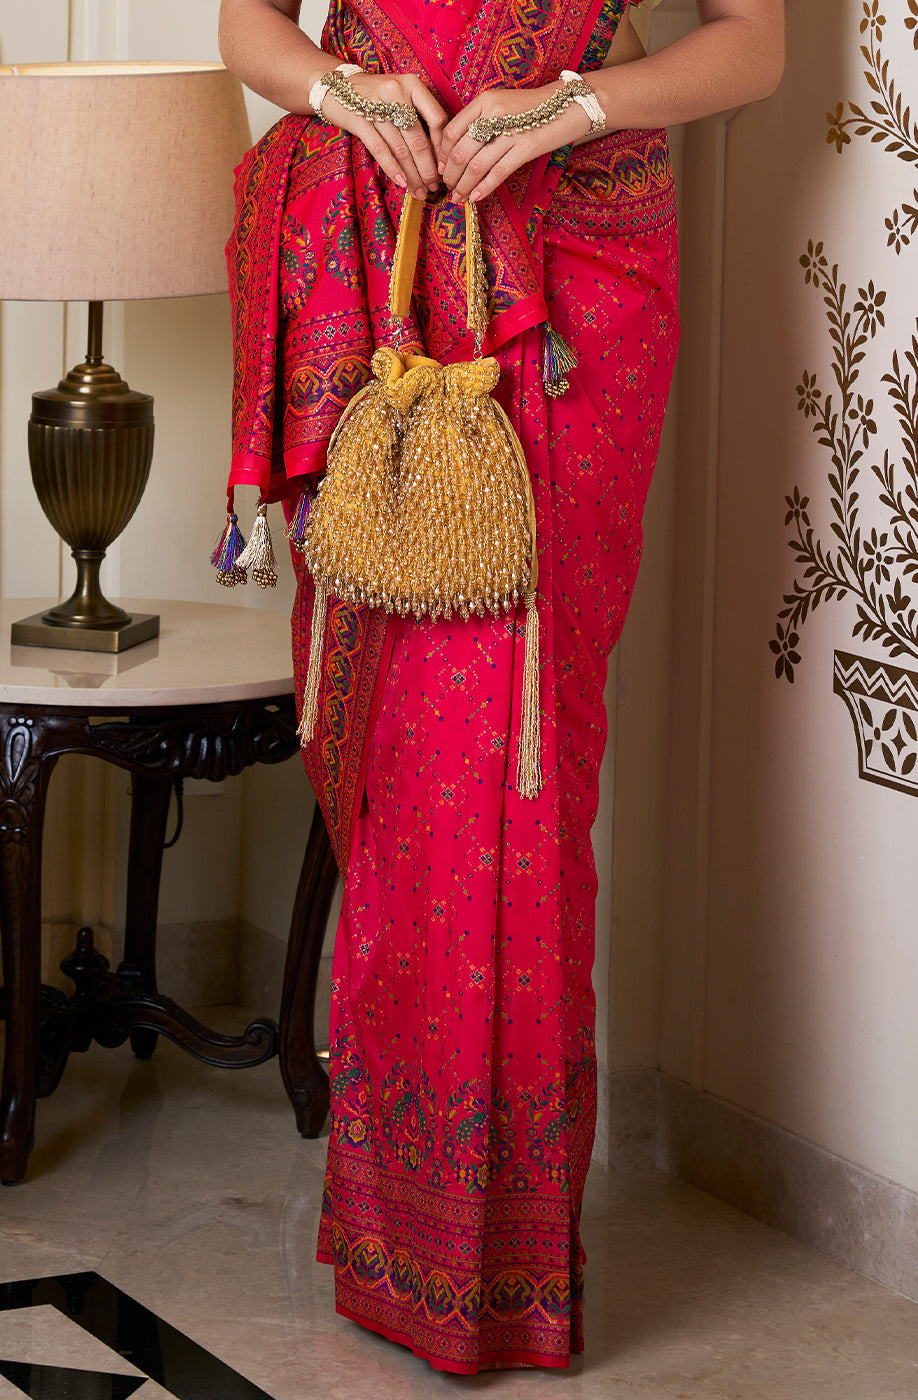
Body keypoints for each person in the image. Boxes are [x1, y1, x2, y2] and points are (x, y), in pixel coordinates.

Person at [217, 0, 783, 1374]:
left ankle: (506, 1265)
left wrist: (570, 107)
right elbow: (247, 22)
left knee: (521, 767)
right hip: (379, 266)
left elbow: (754, 45)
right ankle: (389, 1230)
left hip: (577, 281)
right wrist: (343, 96)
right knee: (403, 759)